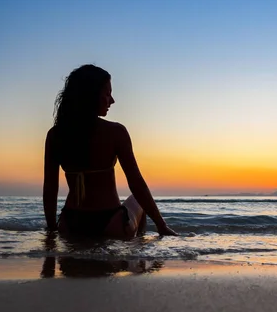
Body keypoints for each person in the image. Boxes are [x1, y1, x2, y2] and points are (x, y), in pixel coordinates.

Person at [42, 64, 177, 239]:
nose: (112, 100)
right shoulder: (116, 132)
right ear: (90, 96)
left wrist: (52, 228)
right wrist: (161, 225)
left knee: (74, 265)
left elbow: (50, 187)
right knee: (137, 201)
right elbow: (136, 183)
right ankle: (137, 256)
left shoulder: (55, 135)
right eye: (107, 94)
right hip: (110, 223)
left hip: (71, 223)